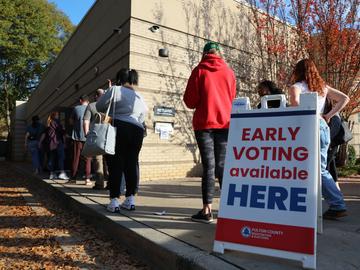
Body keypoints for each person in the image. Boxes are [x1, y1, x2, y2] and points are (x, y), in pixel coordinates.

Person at [288, 58, 349, 220]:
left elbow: (295, 104)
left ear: (298, 71)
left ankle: (337, 204)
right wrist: (327, 115)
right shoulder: (322, 88)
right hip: (323, 127)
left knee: (314, 169)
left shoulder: (296, 87)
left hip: (307, 128)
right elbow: (345, 98)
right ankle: (312, 202)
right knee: (315, 168)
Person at [183, 41, 236, 223]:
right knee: (222, 165)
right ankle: (229, 209)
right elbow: (232, 97)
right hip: (225, 123)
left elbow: (190, 101)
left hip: (204, 124)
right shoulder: (229, 72)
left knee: (209, 166)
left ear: (205, 54)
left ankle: (207, 210)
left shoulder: (199, 70)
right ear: (220, 53)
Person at [96, 68, 148, 212]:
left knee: (115, 163)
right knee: (132, 163)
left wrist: (109, 94)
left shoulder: (115, 90)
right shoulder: (139, 96)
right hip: (137, 130)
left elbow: (99, 106)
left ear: (119, 79)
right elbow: (143, 116)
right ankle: (130, 199)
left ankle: (114, 201)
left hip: (119, 127)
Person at [83, 89, 107, 190]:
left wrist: (87, 134)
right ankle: (111, 184)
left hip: (96, 136)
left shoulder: (91, 106)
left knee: (98, 160)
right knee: (109, 160)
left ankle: (99, 183)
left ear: (96, 96)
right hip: (108, 136)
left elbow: (86, 121)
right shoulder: (108, 105)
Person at [69, 95, 92, 186]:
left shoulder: (76, 108)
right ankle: (87, 179)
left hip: (77, 137)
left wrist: (76, 123)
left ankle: (73, 178)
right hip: (88, 137)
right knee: (88, 159)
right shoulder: (91, 108)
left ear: (80, 100)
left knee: (76, 158)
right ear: (88, 101)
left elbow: (70, 121)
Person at [39, 111, 69, 180]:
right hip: (58, 143)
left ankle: (52, 174)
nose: (58, 116)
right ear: (55, 116)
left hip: (50, 144)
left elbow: (44, 134)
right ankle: (62, 173)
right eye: (58, 115)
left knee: (52, 159)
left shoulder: (48, 124)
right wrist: (65, 141)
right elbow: (63, 133)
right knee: (61, 158)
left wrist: (40, 142)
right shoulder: (57, 123)